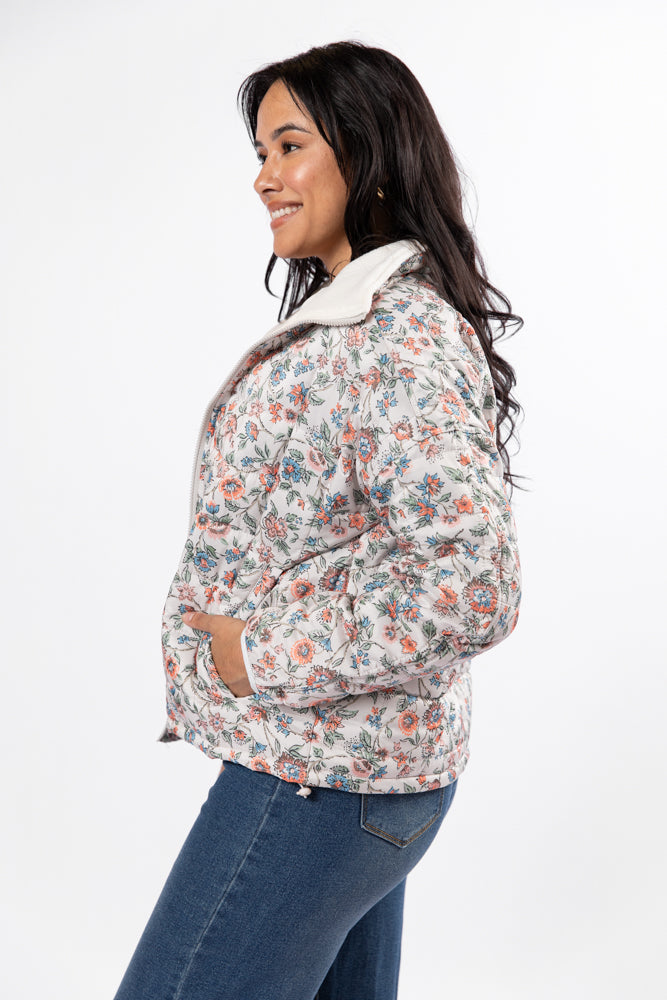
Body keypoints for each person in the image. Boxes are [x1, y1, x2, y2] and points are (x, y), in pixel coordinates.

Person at [113, 40, 522, 1000]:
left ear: (366, 152)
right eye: (260, 152)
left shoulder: (394, 336)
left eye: (289, 146)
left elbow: (475, 587)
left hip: (319, 783)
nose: (263, 177)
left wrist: (258, 654)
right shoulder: (368, 320)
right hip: (355, 775)